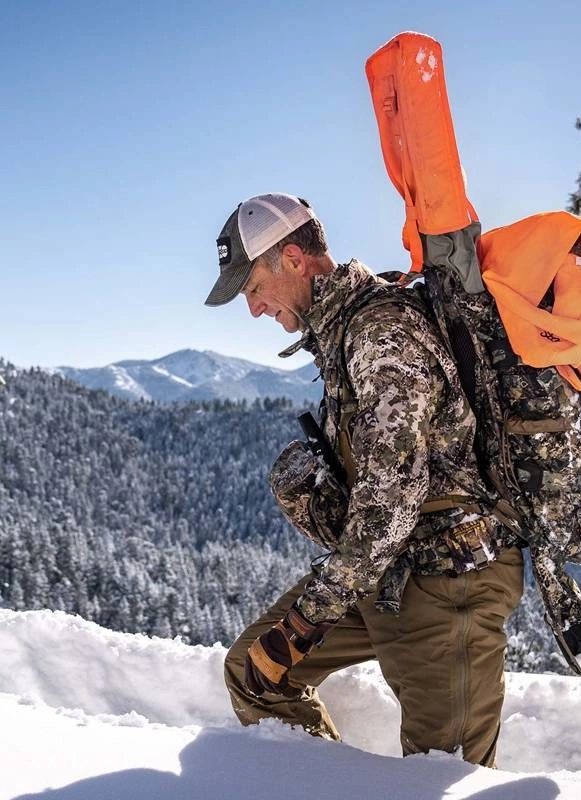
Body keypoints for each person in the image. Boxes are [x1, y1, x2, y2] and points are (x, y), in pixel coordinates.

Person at [205, 193, 524, 767]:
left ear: (294, 259)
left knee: (441, 774)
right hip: (391, 570)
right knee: (255, 673)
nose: (253, 309)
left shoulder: (380, 333)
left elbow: (390, 500)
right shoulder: (342, 332)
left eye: (253, 288)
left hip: (450, 581)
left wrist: (306, 621)